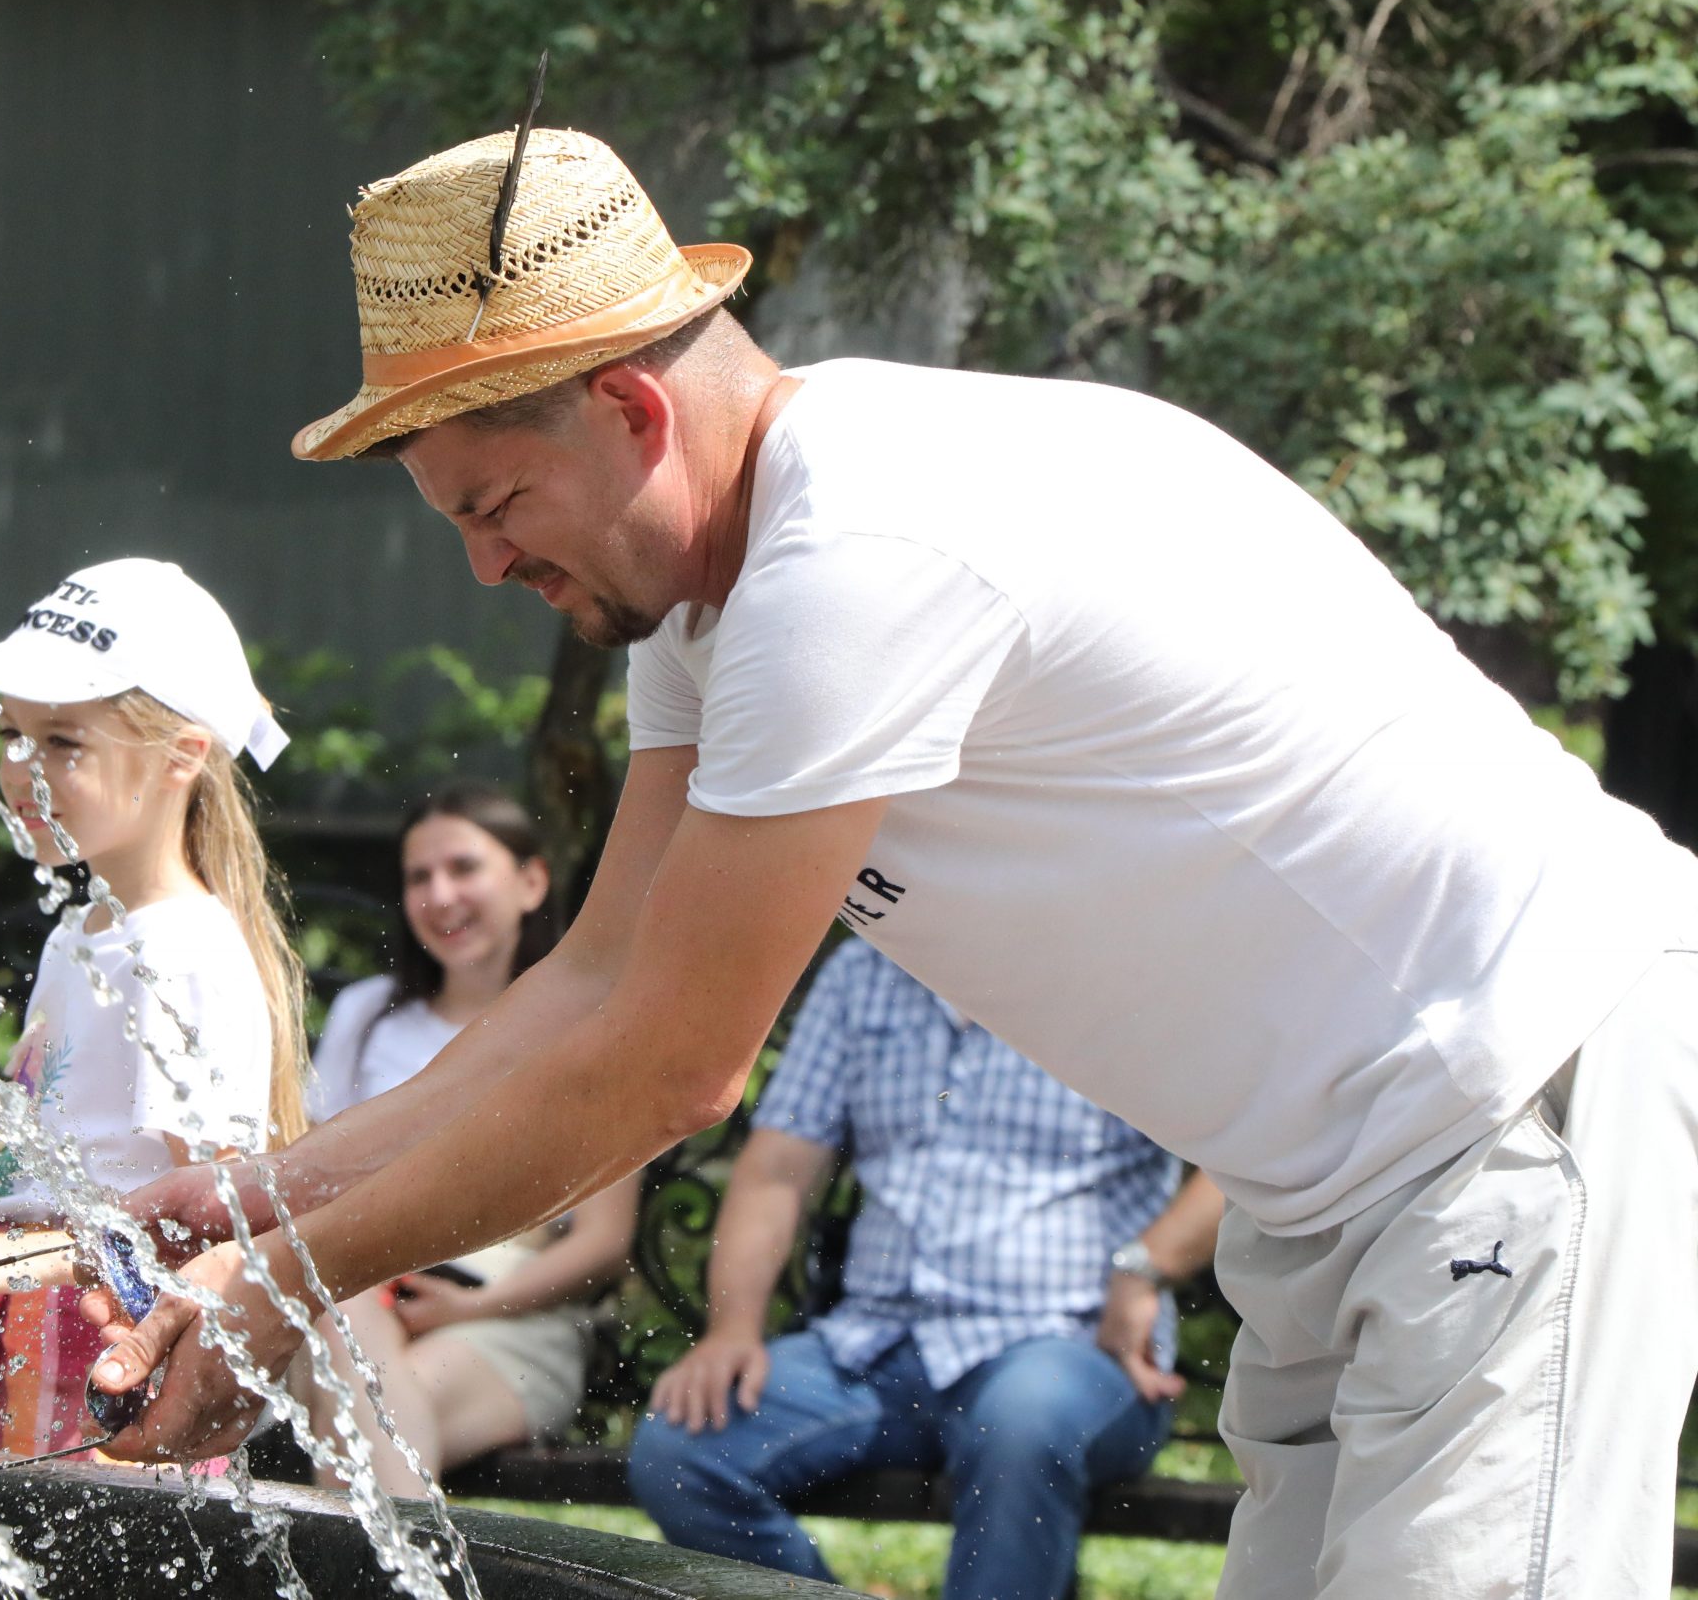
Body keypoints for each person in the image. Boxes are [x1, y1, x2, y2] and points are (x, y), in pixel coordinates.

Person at [89, 128, 1698, 1599]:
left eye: (497, 501)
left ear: (634, 410)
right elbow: (590, 979)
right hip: (1336, 1175)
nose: (485, 559)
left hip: (1516, 1086)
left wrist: (283, 1282)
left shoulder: (853, 554)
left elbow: (665, 1065)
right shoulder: (713, 606)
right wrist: (256, 1192)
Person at [0, 556, 306, 1461]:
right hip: (17, 1347)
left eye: (63, 743)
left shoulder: (185, 954)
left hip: (107, 1364)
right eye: (10, 732)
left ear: (182, 756)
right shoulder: (81, 936)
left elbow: (225, 1225)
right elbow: (22, 1199)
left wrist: (23, 1265)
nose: (18, 769)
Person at [629, 939, 1223, 1596]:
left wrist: (1145, 1265)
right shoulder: (863, 972)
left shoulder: (1121, 978)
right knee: (682, 1448)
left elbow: (1242, 1156)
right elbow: (776, 1169)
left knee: (1022, 1425)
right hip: (876, 1348)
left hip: (1066, 1349)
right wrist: (732, 1328)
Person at [293, 784, 637, 1494]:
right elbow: (312, 1184)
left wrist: (469, 1308)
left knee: (361, 1418)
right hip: (355, 1301)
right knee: (349, 1337)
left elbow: (602, 1239)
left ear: (531, 879)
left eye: (464, 867)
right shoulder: (367, 1016)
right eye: (420, 876)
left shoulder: (590, 1031)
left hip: (510, 1320)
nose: (440, 894)